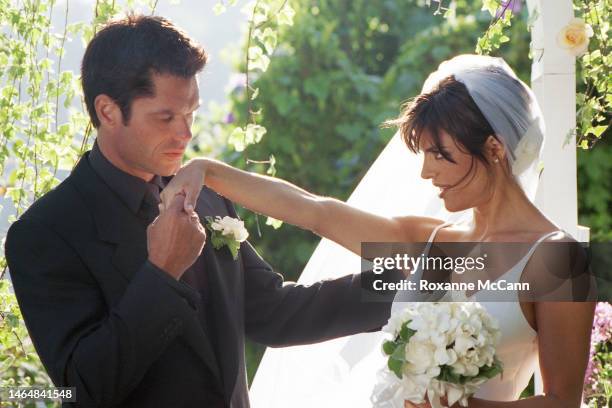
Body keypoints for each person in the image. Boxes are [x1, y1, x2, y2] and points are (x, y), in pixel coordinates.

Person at [4, 15, 398, 408]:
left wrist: (426, 280)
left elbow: (277, 311)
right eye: (166, 117)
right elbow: (82, 387)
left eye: (191, 113)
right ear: (107, 111)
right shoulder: (43, 233)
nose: (185, 134)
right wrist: (161, 273)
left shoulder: (204, 195)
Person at [162, 55, 596, 407]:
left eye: (439, 154)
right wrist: (208, 171)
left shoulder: (558, 261)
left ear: (494, 149)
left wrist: (454, 404)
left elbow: (562, 400)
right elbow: (317, 212)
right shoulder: (431, 242)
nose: (426, 171)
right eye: (423, 154)